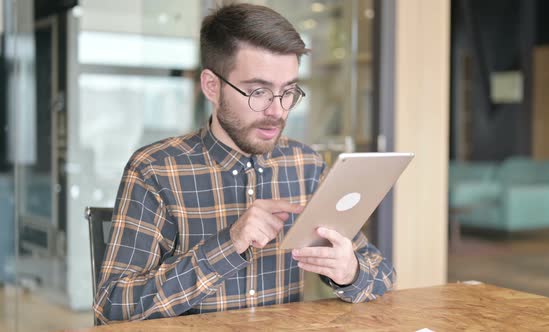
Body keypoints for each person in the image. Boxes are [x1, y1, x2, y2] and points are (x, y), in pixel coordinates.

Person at [93, 3, 394, 324]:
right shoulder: (155, 170)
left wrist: (349, 271)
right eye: (259, 91)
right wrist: (229, 244)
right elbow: (114, 306)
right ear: (212, 86)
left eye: (288, 92)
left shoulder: (305, 165)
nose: (277, 111)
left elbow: (382, 274)